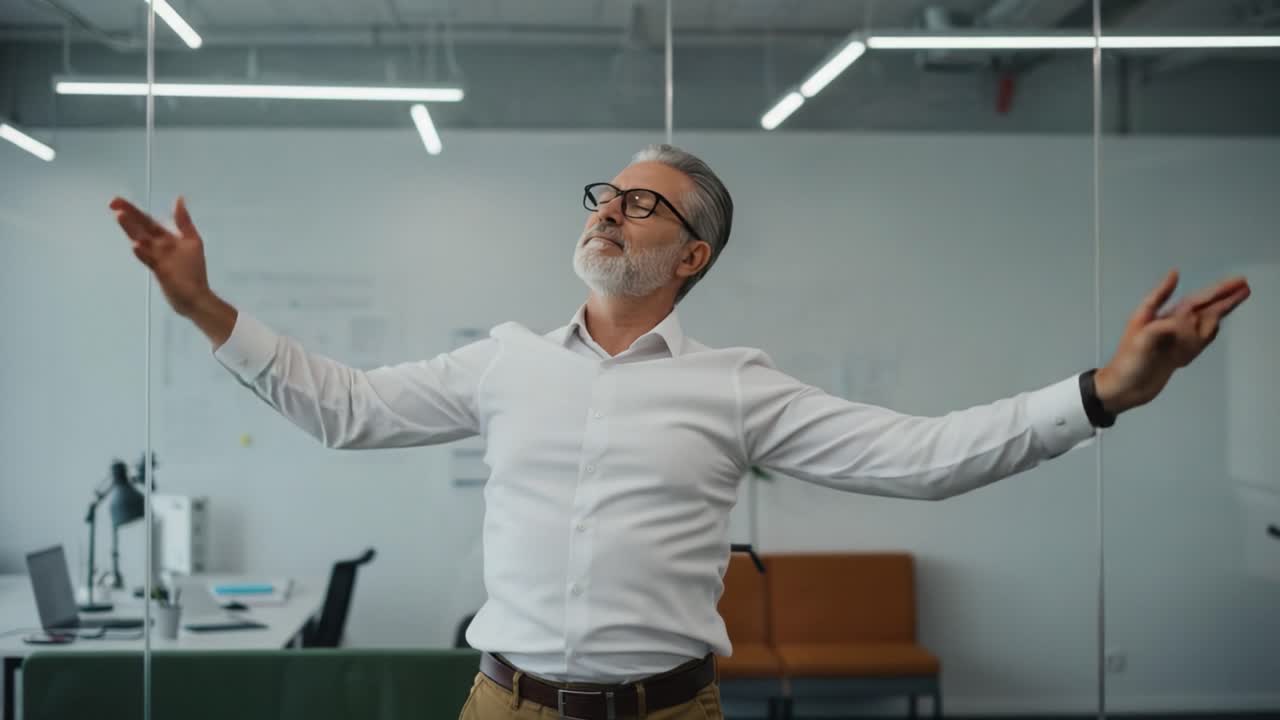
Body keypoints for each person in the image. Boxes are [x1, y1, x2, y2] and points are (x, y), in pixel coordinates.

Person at [110, 144, 1250, 720]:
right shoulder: (504, 361)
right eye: (605, 194)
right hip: (504, 709)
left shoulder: (735, 387)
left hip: (670, 713)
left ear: (691, 256)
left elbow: (922, 458)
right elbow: (348, 410)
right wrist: (205, 309)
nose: (610, 207)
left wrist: (1103, 390)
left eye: (643, 203)